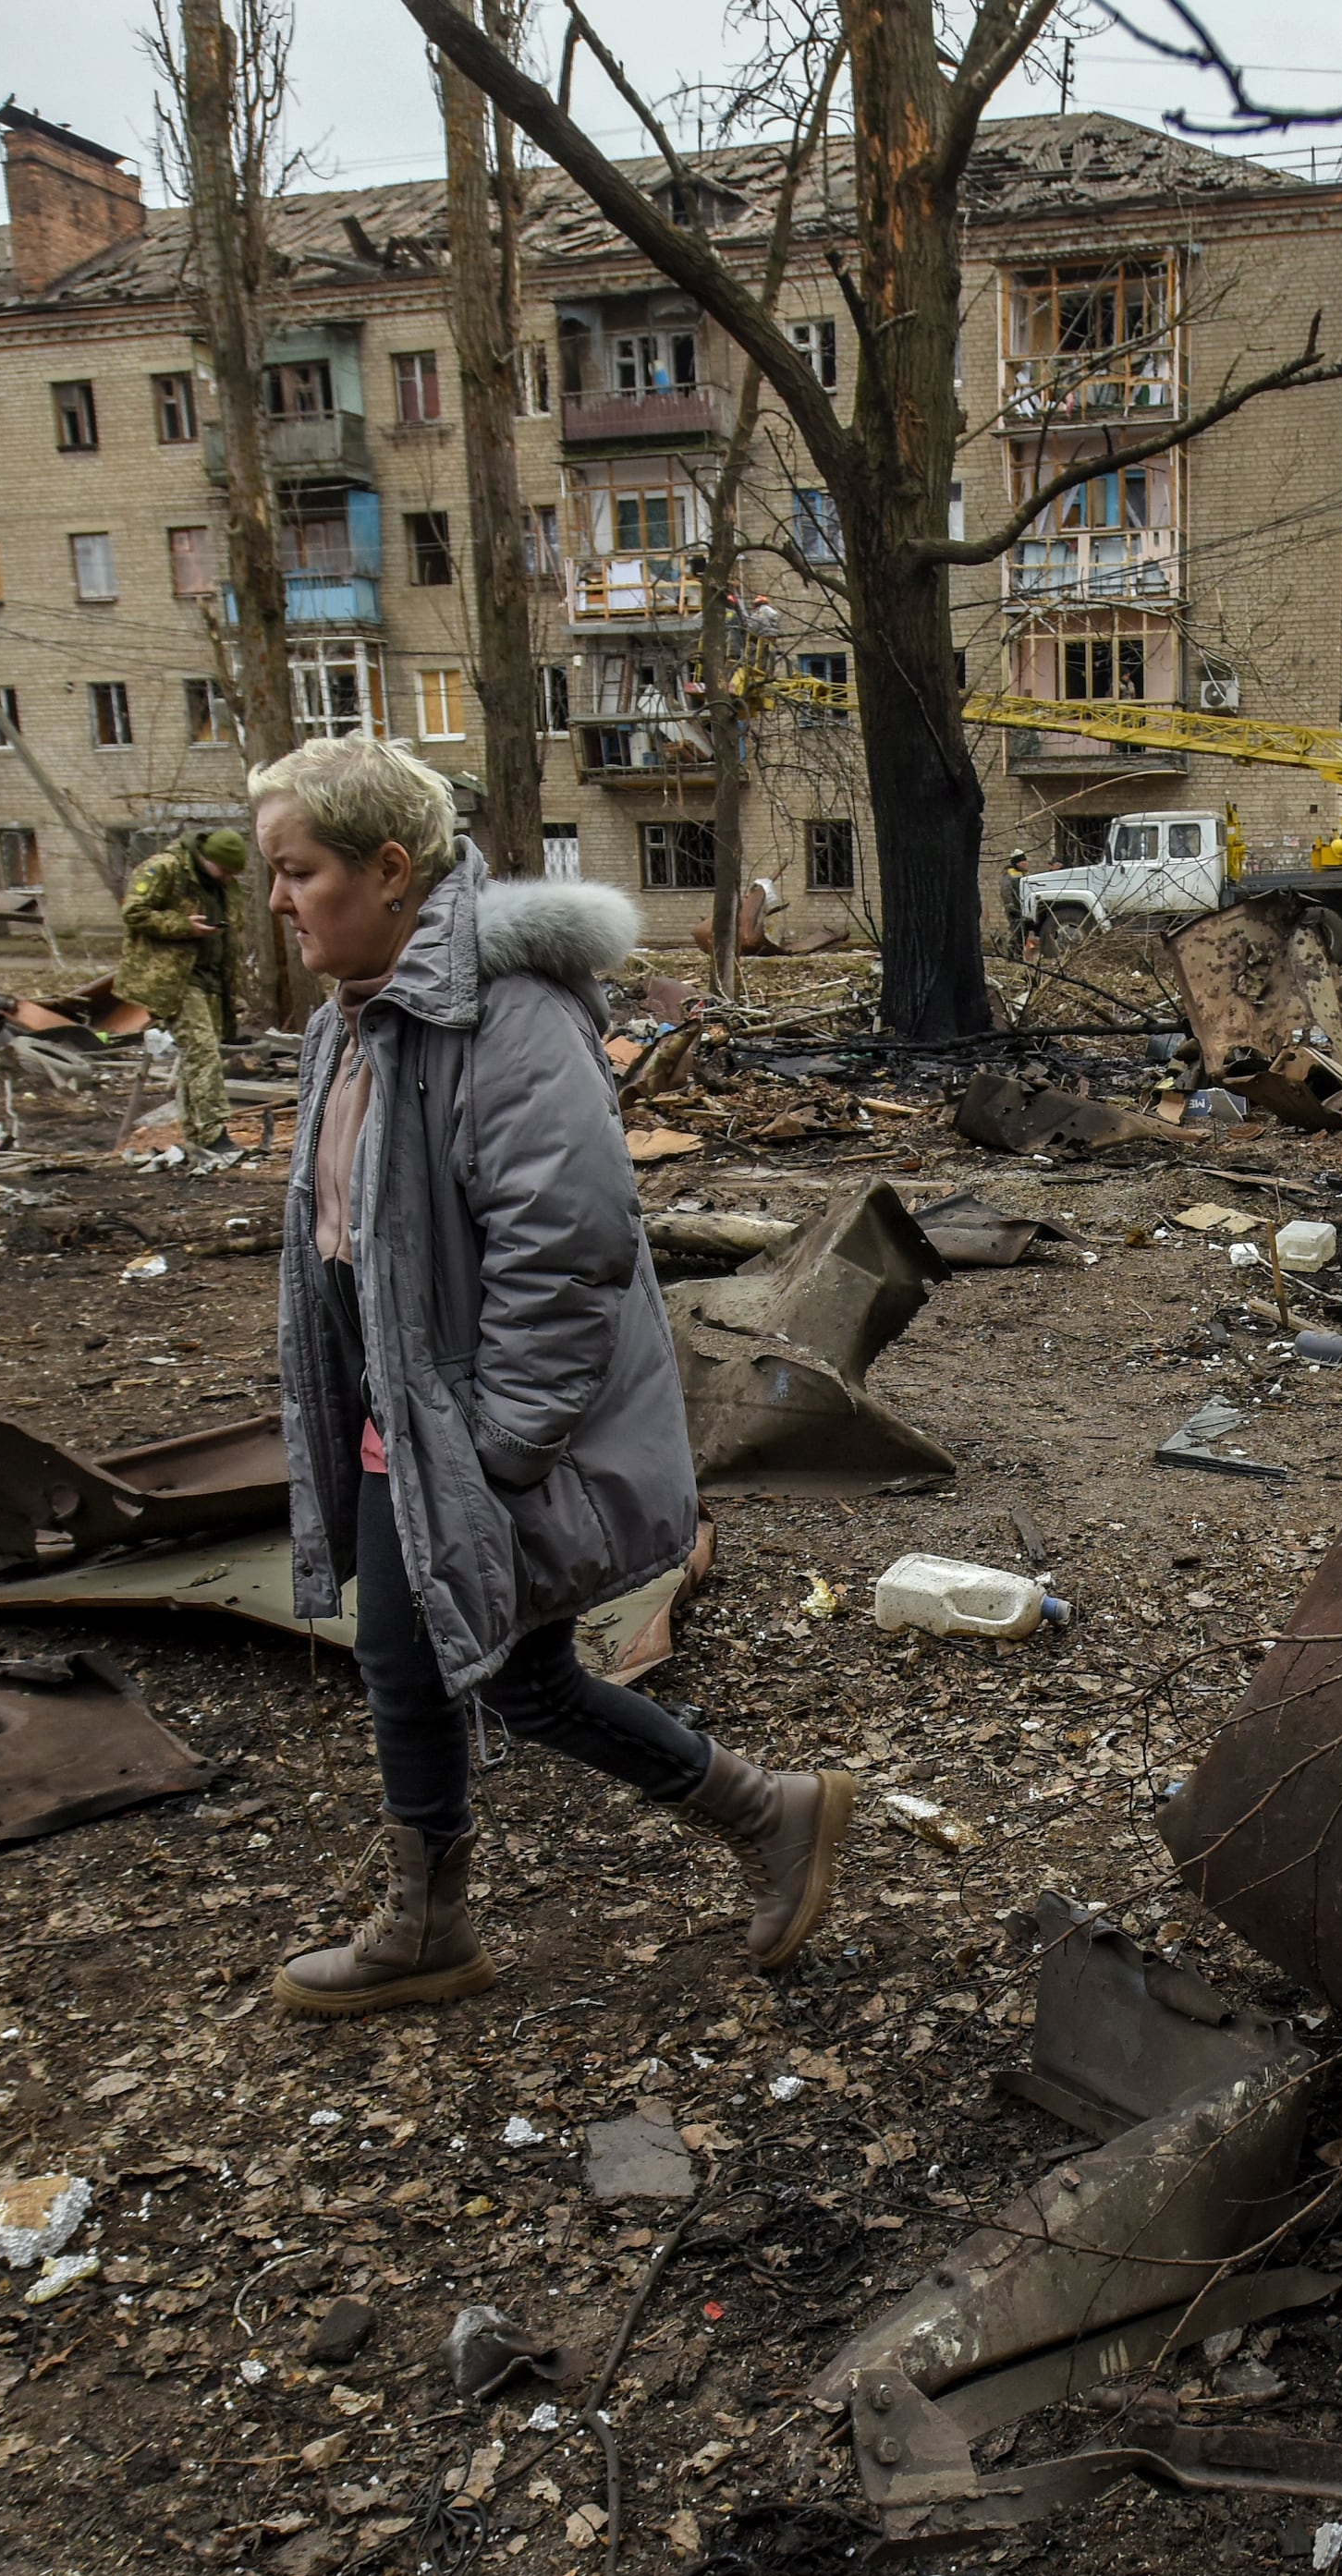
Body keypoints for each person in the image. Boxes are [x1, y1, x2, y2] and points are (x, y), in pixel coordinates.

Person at [254, 735, 851, 2014]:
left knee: (475, 1670)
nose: (278, 900)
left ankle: (743, 1821)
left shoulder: (506, 1016)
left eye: (297, 871)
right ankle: (463, 1911)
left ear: (392, 870)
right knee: (439, 1666)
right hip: (402, 1425)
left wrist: (501, 1450)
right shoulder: (352, 1023)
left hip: (473, 1430)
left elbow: (569, 1247)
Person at [118, 827, 248, 1164]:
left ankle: (196, 1133)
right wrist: (182, 925)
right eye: (226, 869)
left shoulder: (222, 884)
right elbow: (133, 911)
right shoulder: (165, 869)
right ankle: (213, 1135)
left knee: (201, 1056)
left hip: (211, 977)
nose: (230, 877)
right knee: (202, 1050)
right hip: (174, 978)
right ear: (207, 859)